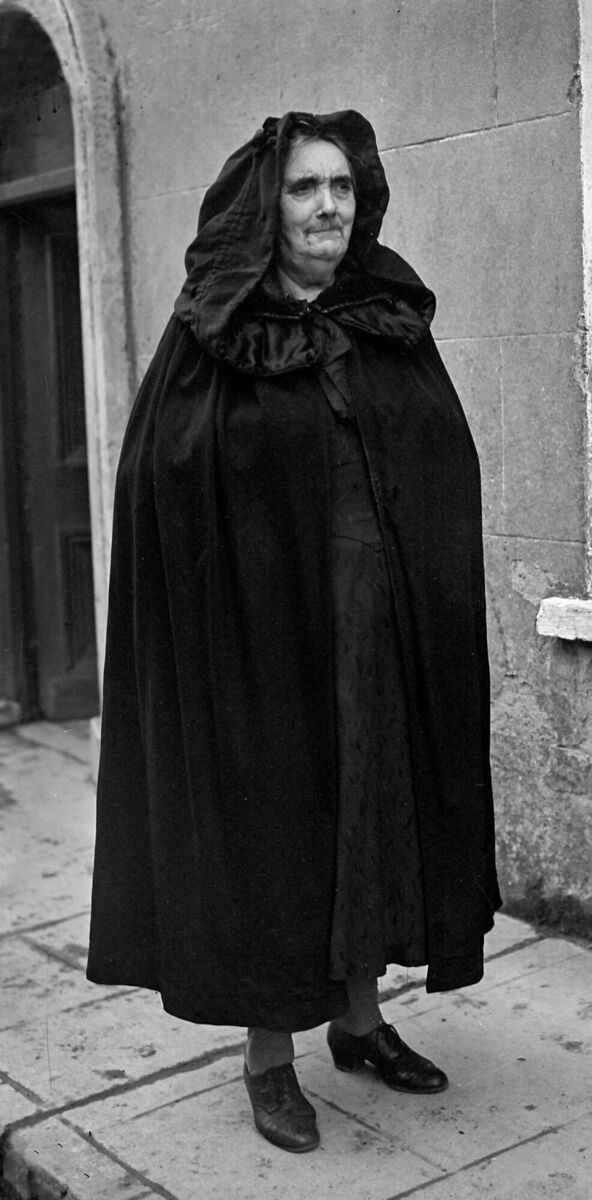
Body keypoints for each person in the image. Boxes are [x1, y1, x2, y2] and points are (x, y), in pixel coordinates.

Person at [87, 109, 501, 1154]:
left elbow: (435, 456)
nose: (327, 206)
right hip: (266, 645)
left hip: (379, 635)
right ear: (266, 206)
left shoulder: (384, 314)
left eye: (342, 189)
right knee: (279, 833)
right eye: (304, 188)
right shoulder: (214, 329)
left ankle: (360, 1026)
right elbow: (162, 474)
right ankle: (269, 1057)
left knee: (372, 815)